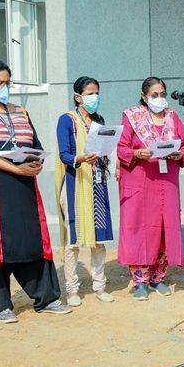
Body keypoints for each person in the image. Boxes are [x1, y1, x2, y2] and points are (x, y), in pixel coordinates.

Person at [0, 59, 71, 323]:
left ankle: (46, 297)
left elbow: (35, 143)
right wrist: (17, 169)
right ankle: (1, 305)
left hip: (23, 183)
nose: (5, 87)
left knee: (32, 236)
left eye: (8, 82)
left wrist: (35, 162)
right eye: (0, 83)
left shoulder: (21, 111)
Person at [116, 76, 184, 300]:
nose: (159, 99)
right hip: (140, 180)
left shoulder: (172, 116)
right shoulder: (132, 116)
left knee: (163, 228)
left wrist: (179, 154)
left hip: (166, 180)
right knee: (140, 228)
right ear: (144, 96)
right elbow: (122, 147)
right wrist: (138, 153)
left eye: (162, 94)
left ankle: (158, 277)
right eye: (154, 95)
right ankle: (140, 280)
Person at [55, 76, 115, 307]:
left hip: (97, 183)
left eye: (97, 92)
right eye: (90, 93)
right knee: (73, 239)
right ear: (77, 96)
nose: (94, 97)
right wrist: (80, 159)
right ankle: (71, 290)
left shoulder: (99, 120)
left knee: (99, 239)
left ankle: (99, 285)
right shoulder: (67, 121)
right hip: (74, 184)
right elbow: (64, 154)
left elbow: (104, 148)